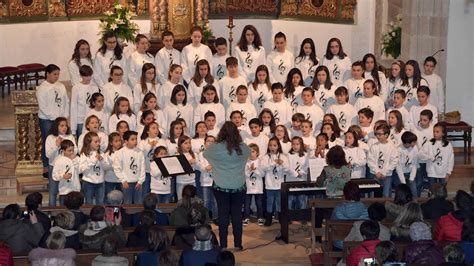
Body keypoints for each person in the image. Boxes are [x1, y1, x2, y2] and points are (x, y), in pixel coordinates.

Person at [203, 121, 251, 250]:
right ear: (236, 133)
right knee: (237, 215)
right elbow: (249, 153)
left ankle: (223, 245)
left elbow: (205, 154)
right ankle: (238, 244)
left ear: (221, 132)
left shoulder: (215, 147)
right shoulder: (242, 147)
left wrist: (217, 165)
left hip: (220, 185)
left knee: (223, 215)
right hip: (239, 185)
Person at [37, 64, 70, 177]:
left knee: (61, 140)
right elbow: (43, 107)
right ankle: (46, 166)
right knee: (48, 141)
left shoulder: (61, 86)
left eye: (58, 74)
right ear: (47, 74)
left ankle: (61, 162)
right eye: (54, 74)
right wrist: (54, 119)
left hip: (60, 119)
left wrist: (64, 116)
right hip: (47, 119)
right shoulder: (42, 88)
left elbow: (66, 101)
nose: (57, 76)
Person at [113, 130, 146, 204]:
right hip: (127, 183)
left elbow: (142, 168)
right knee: (127, 203)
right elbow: (117, 168)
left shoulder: (139, 152)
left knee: (138, 203)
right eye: (132, 139)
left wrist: (140, 181)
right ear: (126, 141)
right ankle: (126, 216)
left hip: (138, 183)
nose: (135, 141)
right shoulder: (120, 152)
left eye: (136, 139)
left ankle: (137, 215)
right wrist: (123, 180)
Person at [367, 124, 399, 197]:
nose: (377, 136)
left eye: (380, 134)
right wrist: (376, 171)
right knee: (372, 194)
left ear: (386, 135)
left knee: (386, 194)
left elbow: (394, 161)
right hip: (374, 174)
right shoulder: (374, 146)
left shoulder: (392, 147)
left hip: (387, 175)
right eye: (376, 134)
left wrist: (384, 172)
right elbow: (370, 160)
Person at [70, 65, 100, 136]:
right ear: (81, 75)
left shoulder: (94, 87)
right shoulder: (76, 88)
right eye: (86, 76)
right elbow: (73, 107)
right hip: (81, 120)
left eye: (90, 75)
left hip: (93, 120)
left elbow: (97, 105)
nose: (88, 78)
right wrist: (73, 129)